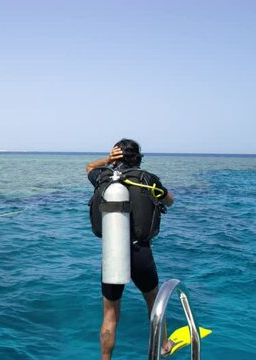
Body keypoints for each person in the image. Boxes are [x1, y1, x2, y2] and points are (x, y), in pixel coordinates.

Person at [86, 139, 175, 359]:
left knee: (110, 314)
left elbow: (89, 167)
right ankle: (163, 344)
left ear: (116, 157)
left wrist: (107, 160)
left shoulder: (103, 177)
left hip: (112, 253)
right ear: (138, 157)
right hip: (140, 253)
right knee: (154, 300)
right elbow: (170, 201)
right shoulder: (147, 179)